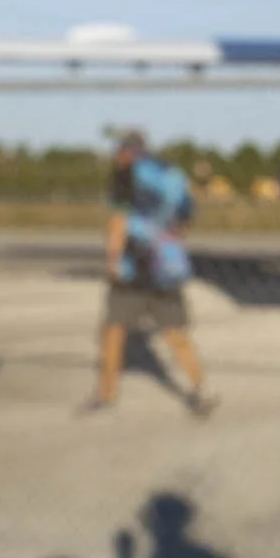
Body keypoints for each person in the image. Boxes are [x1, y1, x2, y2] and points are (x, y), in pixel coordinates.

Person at [87, 130, 216, 416]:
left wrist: (113, 259)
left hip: (132, 268)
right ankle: (202, 389)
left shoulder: (126, 175)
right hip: (166, 265)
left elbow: (118, 220)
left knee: (113, 330)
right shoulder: (172, 175)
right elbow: (184, 220)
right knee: (176, 334)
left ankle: (106, 395)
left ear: (125, 152)